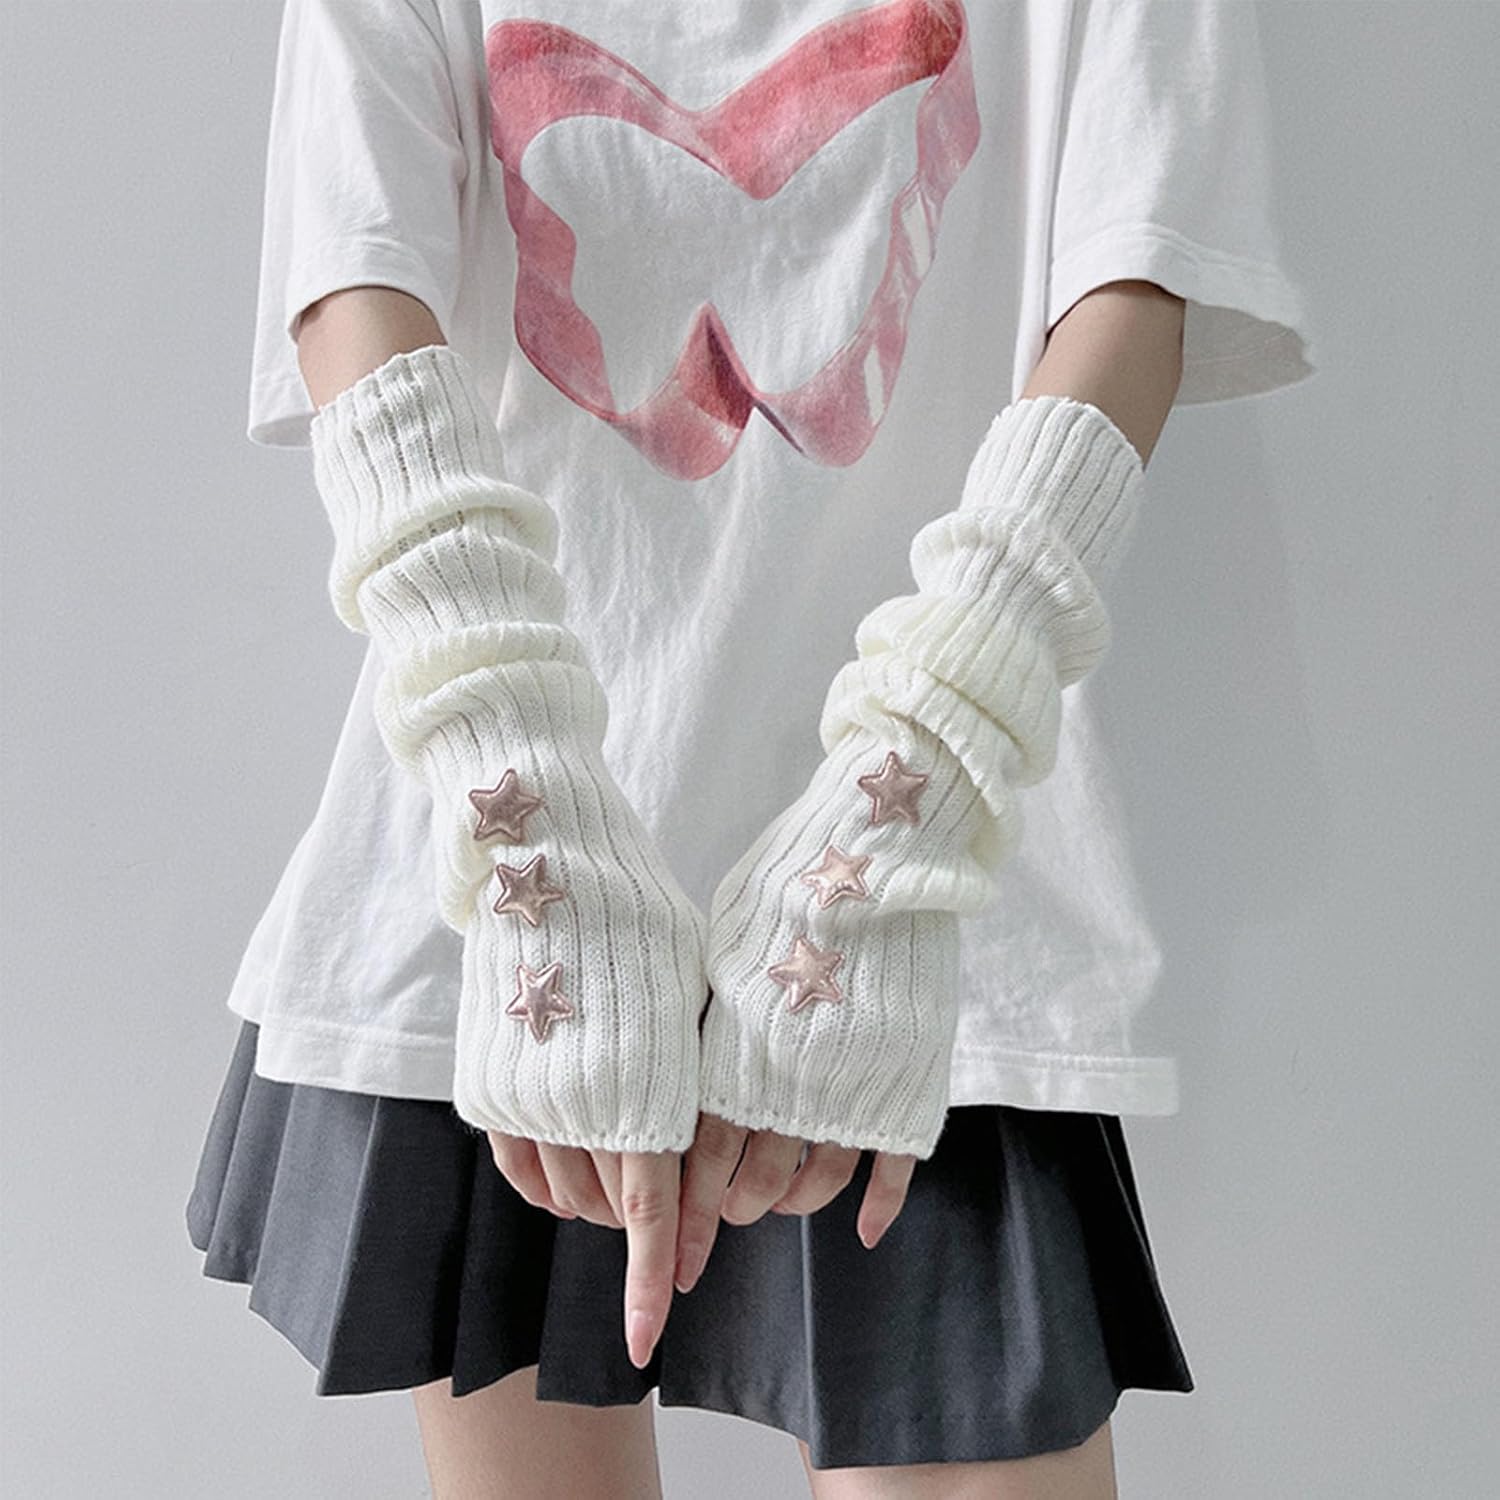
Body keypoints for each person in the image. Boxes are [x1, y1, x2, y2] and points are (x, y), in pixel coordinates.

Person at [185, 1, 1316, 1494]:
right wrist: (539, 833)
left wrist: (890, 818)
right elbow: (353, 289)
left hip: (924, 890)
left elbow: (1134, 288)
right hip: (513, 894)